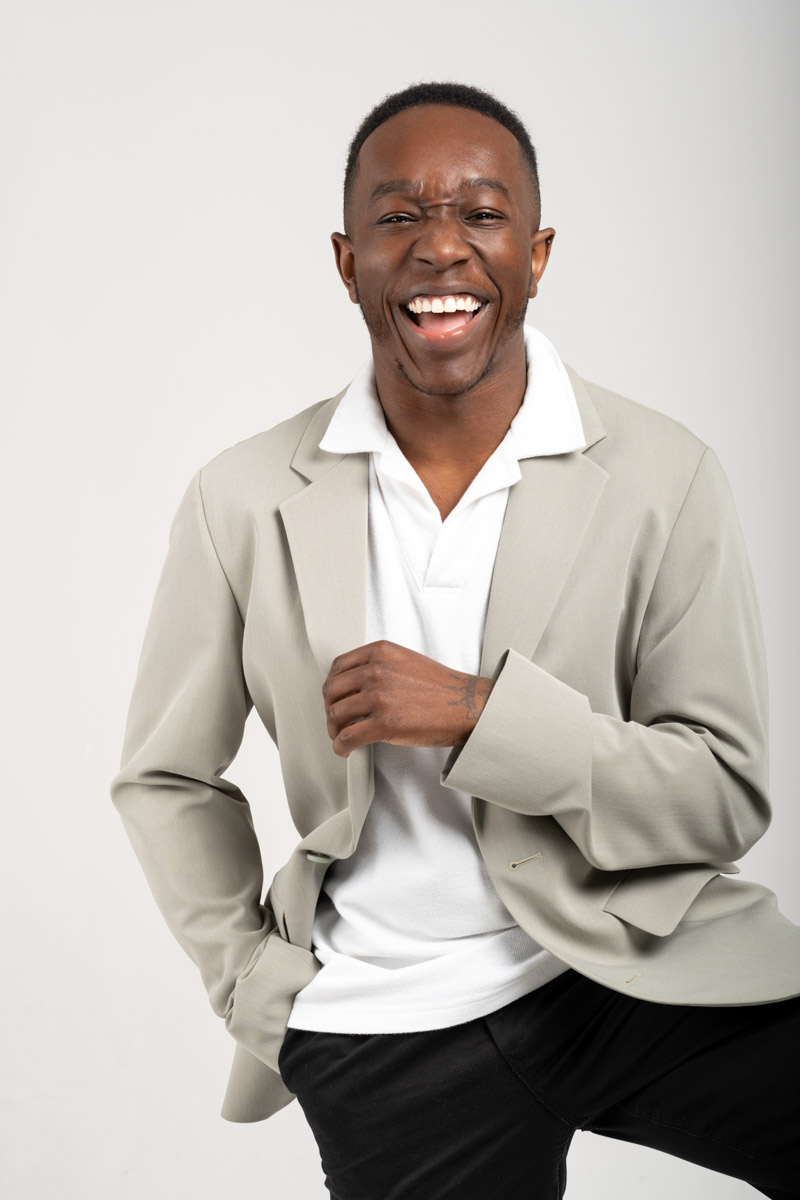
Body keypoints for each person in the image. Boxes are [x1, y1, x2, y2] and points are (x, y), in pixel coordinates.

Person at [111, 82, 800, 1198]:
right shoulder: (240, 497)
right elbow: (163, 776)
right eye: (398, 217)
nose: (440, 246)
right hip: (384, 1032)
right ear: (346, 261)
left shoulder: (662, 474)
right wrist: (256, 987)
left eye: (480, 215)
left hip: (636, 963)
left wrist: (484, 715)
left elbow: (719, 794)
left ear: (535, 254)